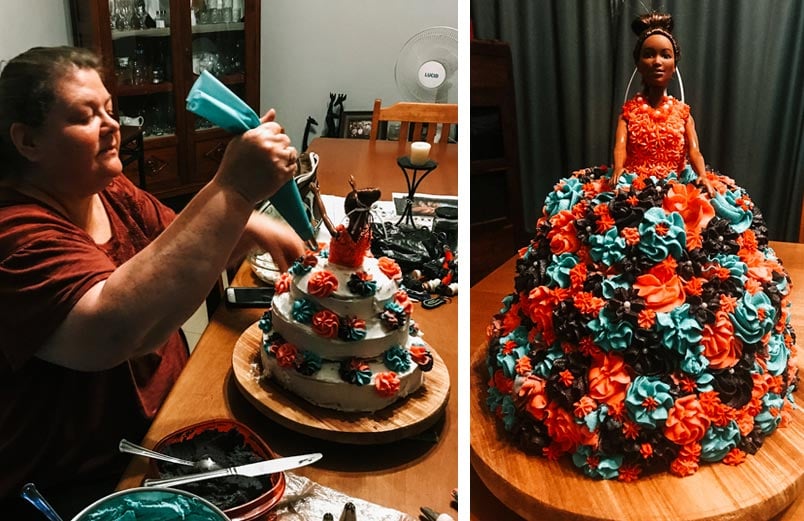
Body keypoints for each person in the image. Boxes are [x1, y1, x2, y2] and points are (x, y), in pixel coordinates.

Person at [483, 13, 798, 481]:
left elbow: (693, 153)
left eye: (664, 54)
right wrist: (614, 181)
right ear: (637, 61)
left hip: (677, 194)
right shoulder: (629, 110)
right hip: (633, 193)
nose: (657, 60)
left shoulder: (683, 112)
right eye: (649, 53)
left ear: (675, 63)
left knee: (709, 257)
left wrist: (704, 178)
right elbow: (619, 150)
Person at [0, 46, 305, 516]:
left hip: (174, 425)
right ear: (28, 142)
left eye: (109, 109)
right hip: (95, 477)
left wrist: (249, 222)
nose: (112, 125)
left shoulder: (107, 187)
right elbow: (113, 332)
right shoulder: (15, 234)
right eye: (85, 116)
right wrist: (234, 188)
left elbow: (176, 247)